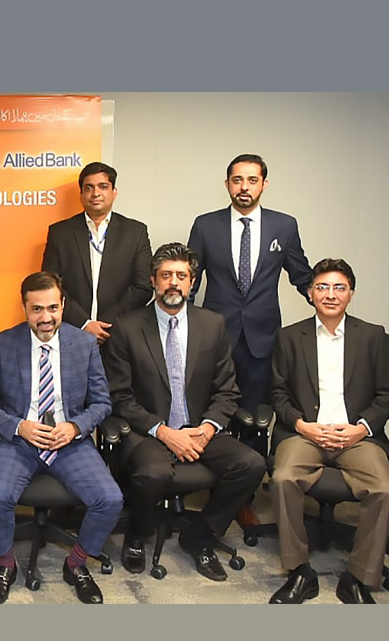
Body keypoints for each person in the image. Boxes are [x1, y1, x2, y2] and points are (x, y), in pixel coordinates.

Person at [106, 242, 265, 581]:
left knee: (252, 464)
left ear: (192, 282)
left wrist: (207, 429)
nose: (173, 283)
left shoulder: (212, 324)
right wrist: (164, 432)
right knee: (153, 474)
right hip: (149, 431)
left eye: (181, 276)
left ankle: (201, 533)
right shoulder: (128, 327)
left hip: (199, 428)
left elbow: (227, 390)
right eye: (166, 276)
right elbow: (120, 396)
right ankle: (137, 534)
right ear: (153, 280)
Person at [0, 271, 122, 604]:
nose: (46, 317)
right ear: (24, 308)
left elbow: (102, 403)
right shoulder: (2, 345)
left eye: (52, 308)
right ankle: (6, 565)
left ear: (63, 305)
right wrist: (19, 426)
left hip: (68, 441)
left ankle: (76, 563)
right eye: (36, 309)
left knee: (110, 499)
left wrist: (76, 427)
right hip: (17, 442)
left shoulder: (84, 344)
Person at [268, 258, 389, 604]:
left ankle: (357, 578)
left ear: (351, 293)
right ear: (310, 293)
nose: (330, 294)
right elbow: (277, 393)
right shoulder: (290, 337)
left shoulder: (374, 336)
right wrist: (302, 425)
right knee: (283, 478)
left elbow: (385, 395)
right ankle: (299, 571)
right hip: (305, 433)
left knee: (382, 488)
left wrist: (360, 428)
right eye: (322, 287)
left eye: (339, 287)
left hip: (357, 436)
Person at [187, 154, 310, 417]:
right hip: (215, 335)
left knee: (255, 416)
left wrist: (328, 302)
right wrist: (183, 326)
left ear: (264, 184)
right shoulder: (205, 225)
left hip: (263, 338)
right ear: (227, 184)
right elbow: (190, 280)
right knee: (212, 413)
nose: (244, 187)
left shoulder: (284, 226)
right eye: (237, 180)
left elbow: (302, 275)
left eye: (252, 180)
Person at [42, 162, 152, 347]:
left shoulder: (135, 232)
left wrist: (105, 324)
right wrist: (84, 324)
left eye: (103, 186)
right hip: (71, 333)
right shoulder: (60, 233)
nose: (95, 193)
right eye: (89, 188)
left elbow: (143, 287)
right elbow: (50, 286)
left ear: (114, 192)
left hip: (119, 335)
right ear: (81, 194)